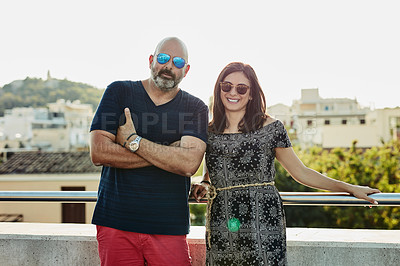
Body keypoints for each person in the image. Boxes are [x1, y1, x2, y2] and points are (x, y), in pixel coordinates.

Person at [192, 62, 381, 265]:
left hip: (262, 218)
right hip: (222, 218)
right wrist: (203, 184)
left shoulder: (271, 127)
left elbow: (301, 172)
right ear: (219, 88)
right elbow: (209, 172)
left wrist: (349, 188)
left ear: (252, 94)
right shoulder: (207, 131)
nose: (233, 92)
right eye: (227, 86)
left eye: (242, 88)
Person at [89, 37, 208, 266]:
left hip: (169, 226)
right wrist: (168, 154)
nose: (169, 66)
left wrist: (133, 141)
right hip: (116, 222)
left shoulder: (196, 108)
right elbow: (99, 152)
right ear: (152, 60)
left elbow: (188, 164)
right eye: (163, 58)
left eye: (178, 62)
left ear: (187, 70)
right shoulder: (119, 92)